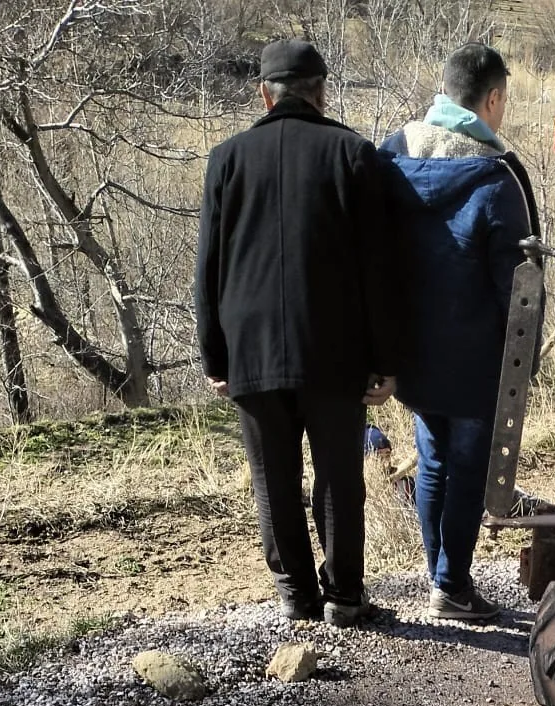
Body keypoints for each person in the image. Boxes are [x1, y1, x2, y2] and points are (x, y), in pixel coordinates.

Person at [194, 39, 396, 627]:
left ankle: (295, 594)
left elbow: (209, 267)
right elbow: (378, 270)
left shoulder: (226, 159)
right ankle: (345, 597)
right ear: (321, 91)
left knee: (272, 476)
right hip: (334, 350)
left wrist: (215, 355)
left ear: (265, 95)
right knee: (338, 473)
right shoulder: (353, 154)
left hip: (250, 347)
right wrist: (385, 359)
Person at [380, 42, 537, 623]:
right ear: (492, 99)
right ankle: (450, 584)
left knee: (434, 461)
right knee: (466, 466)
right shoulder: (498, 179)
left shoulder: (394, 155)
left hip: (412, 354)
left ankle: (438, 576)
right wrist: (525, 367)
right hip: (474, 359)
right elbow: (520, 288)